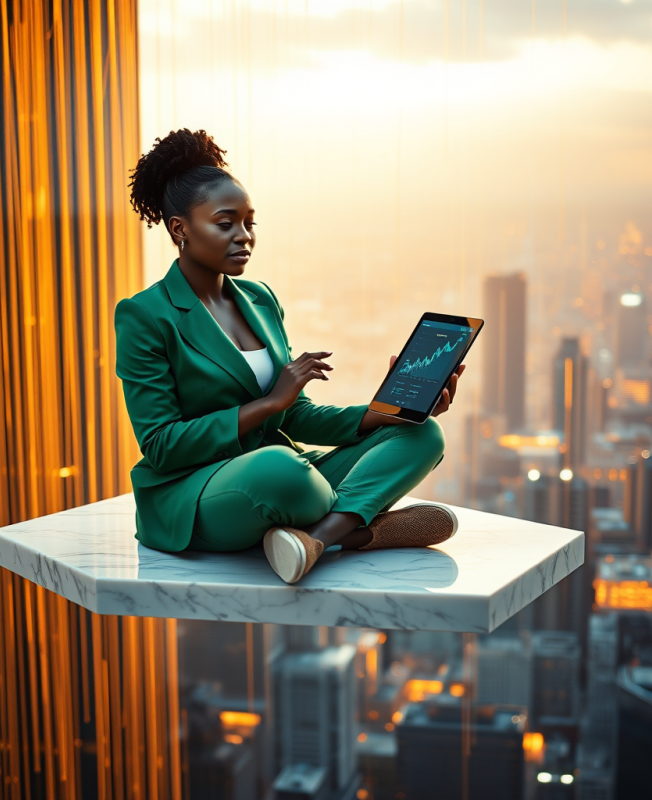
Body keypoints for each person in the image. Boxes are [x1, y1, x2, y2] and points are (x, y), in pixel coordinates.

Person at [115, 128, 466, 584]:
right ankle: (362, 531)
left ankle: (316, 539)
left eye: (250, 223)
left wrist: (383, 413)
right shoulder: (145, 315)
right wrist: (267, 404)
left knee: (422, 435)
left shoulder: (259, 300)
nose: (244, 237)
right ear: (181, 229)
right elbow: (161, 445)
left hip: (281, 478)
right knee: (283, 470)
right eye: (225, 224)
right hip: (196, 494)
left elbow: (294, 415)